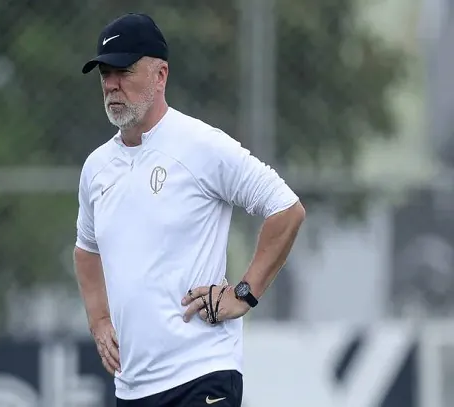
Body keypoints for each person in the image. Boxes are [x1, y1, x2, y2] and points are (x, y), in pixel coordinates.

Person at [74, 12, 305, 407]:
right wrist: (99, 321)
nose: (111, 85)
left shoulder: (199, 145)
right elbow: (86, 249)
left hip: (203, 374)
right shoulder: (96, 167)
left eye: (124, 71)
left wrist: (243, 294)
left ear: (160, 75)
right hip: (133, 388)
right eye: (104, 74)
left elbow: (286, 209)